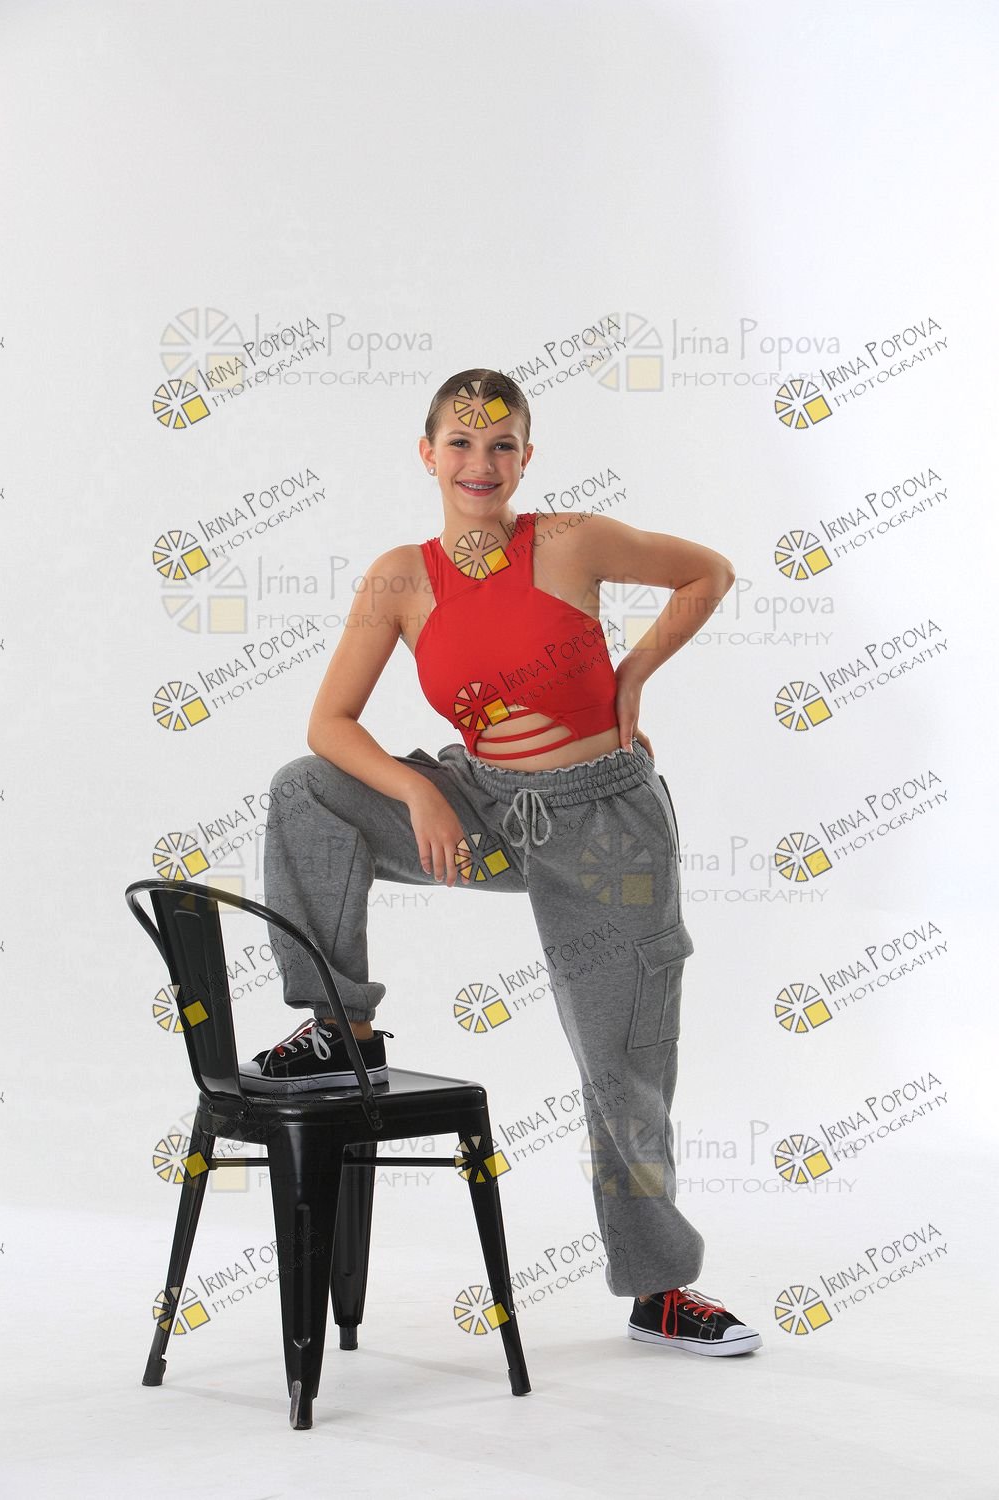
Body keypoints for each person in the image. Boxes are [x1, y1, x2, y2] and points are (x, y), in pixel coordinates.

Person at [247, 368, 761, 1357]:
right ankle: (341, 1029)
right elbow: (329, 725)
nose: (479, 463)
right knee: (304, 788)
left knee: (623, 1065)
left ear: (526, 458)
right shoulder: (401, 578)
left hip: (604, 827)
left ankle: (659, 1290)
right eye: (460, 442)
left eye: (501, 445)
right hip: (480, 804)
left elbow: (708, 571)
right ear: (428, 453)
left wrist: (633, 677)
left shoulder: (572, 541)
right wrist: (420, 792)